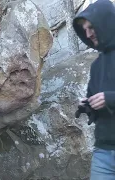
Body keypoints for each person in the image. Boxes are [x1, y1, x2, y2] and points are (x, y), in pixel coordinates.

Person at [73, 0, 115, 179]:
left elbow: (108, 99)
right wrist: (87, 105)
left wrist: (110, 98)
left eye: (91, 27)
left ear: (105, 21)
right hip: (103, 152)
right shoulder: (96, 65)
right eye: (85, 30)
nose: (88, 34)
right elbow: (96, 101)